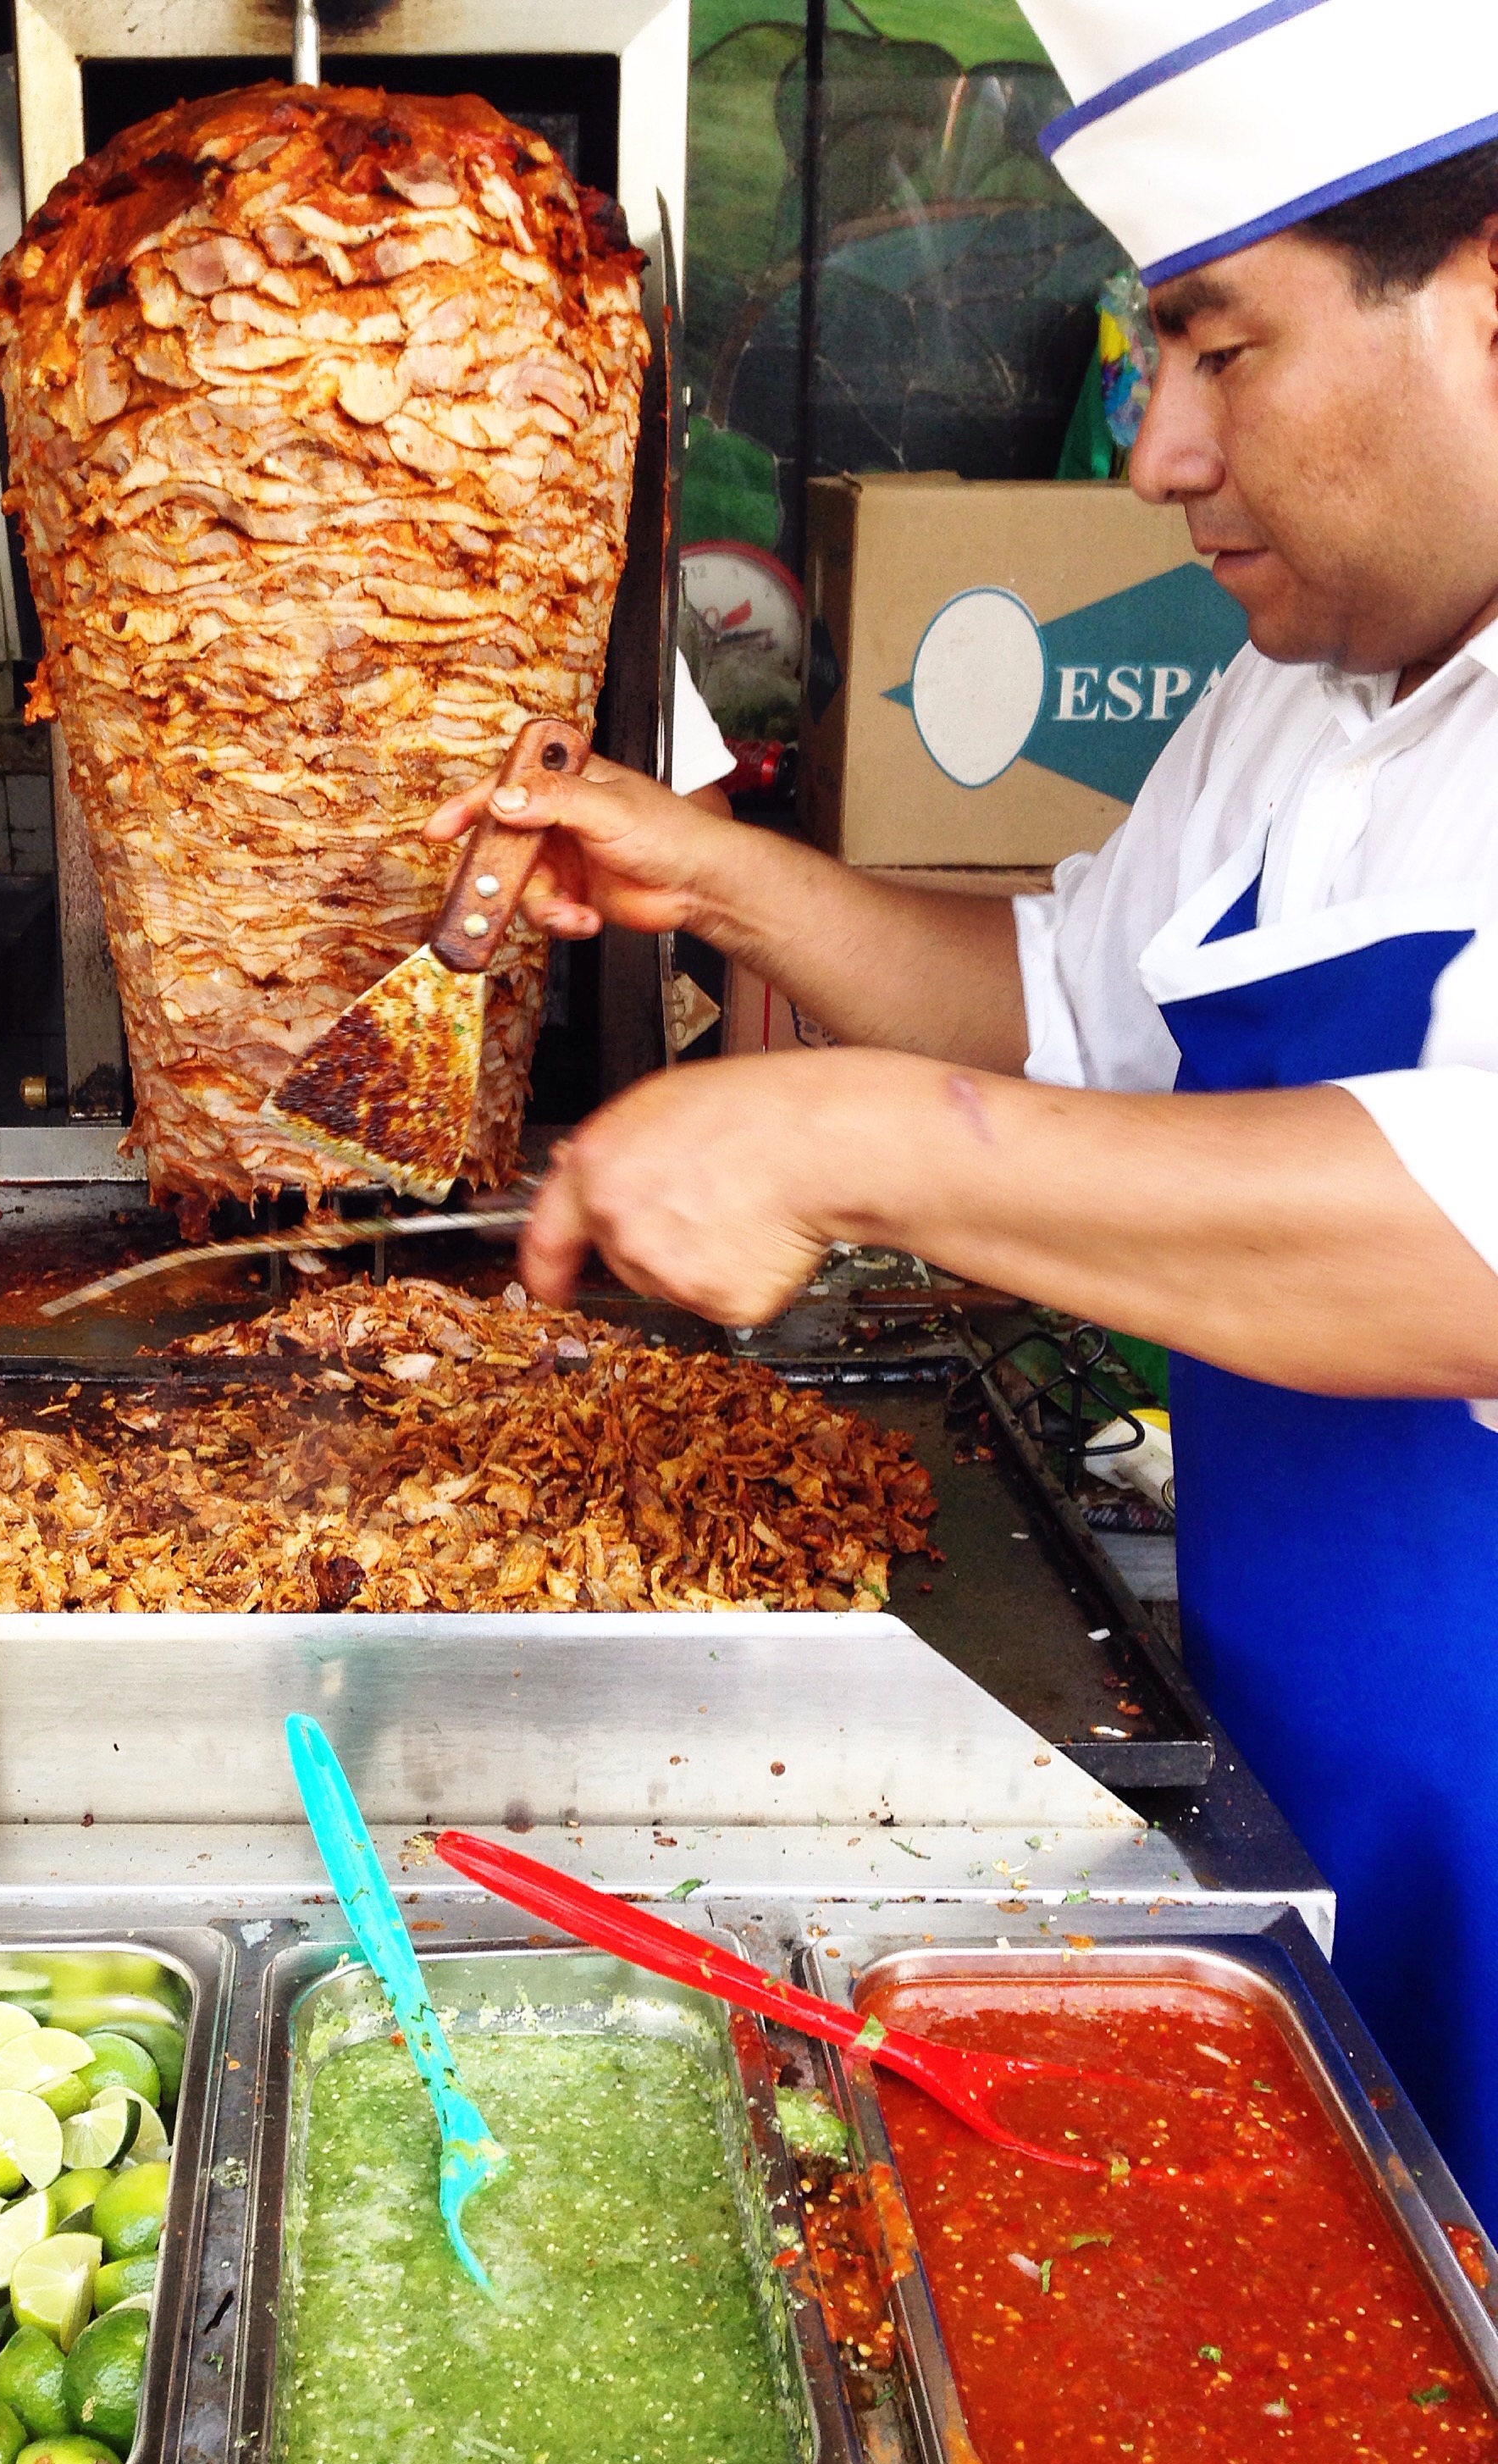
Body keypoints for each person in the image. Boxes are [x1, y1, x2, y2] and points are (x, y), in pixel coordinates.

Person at [429, 5, 1498, 2217]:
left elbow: (1451, 1248)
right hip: (1324, 1765)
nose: (1158, 454)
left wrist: (835, 1138)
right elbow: (1059, 1008)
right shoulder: (1302, 698)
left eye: (1222, 353)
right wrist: (717, 871)